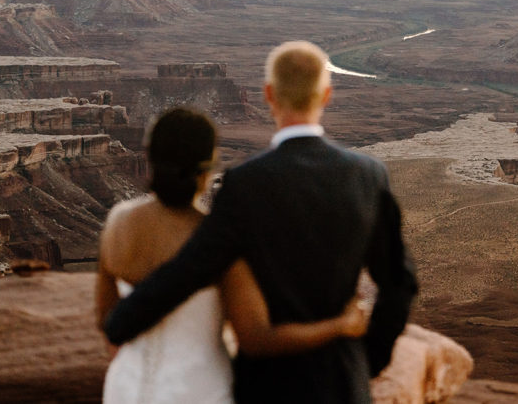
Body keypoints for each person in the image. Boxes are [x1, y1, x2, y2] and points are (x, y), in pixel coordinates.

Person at [104, 41, 418, 403]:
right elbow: (400, 283)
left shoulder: (244, 185)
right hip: (342, 382)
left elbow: (191, 268)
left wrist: (122, 320)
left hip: (268, 386)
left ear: (269, 95)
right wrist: (367, 360)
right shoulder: (368, 176)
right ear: (327, 95)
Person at [96, 107, 372, 403]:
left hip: (126, 388)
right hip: (200, 390)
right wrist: (340, 325)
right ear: (206, 172)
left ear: (151, 161)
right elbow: (256, 339)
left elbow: (106, 320)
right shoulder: (220, 239)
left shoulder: (118, 222)